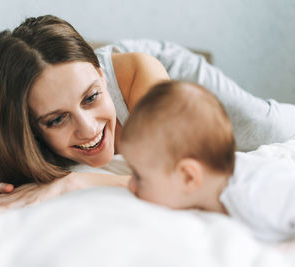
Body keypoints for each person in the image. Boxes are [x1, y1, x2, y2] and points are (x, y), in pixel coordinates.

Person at [0, 15, 295, 212]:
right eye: (56, 119)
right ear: (28, 127)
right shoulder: (17, 137)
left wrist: (76, 184)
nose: (88, 129)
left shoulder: (139, 74)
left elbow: (183, 177)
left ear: (101, 77)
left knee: (268, 128)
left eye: (90, 99)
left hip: (166, 71)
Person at [119, 81, 295, 241]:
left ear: (188, 177)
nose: (131, 185)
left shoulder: (255, 194)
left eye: (138, 176)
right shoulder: (210, 193)